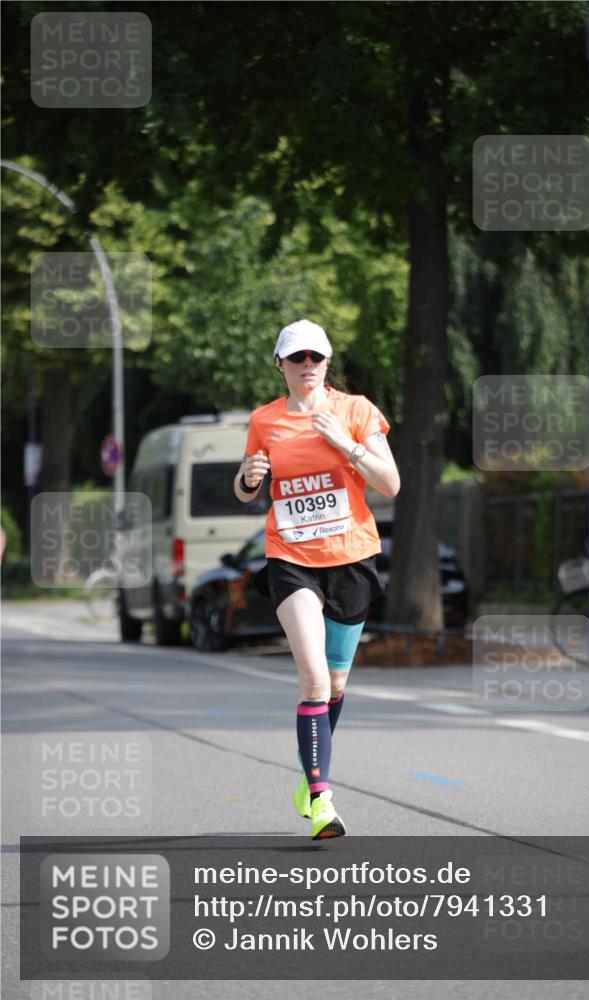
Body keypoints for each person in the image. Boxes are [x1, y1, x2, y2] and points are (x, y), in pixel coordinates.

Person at [234, 319, 400, 839]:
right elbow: (245, 486)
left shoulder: (355, 410)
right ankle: (322, 799)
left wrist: (346, 445)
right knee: (314, 678)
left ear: (328, 364)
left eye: (316, 358)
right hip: (291, 558)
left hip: (351, 558)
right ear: (280, 364)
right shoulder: (264, 420)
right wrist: (248, 478)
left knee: (337, 684)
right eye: (297, 358)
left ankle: (309, 777)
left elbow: (391, 484)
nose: (307, 366)